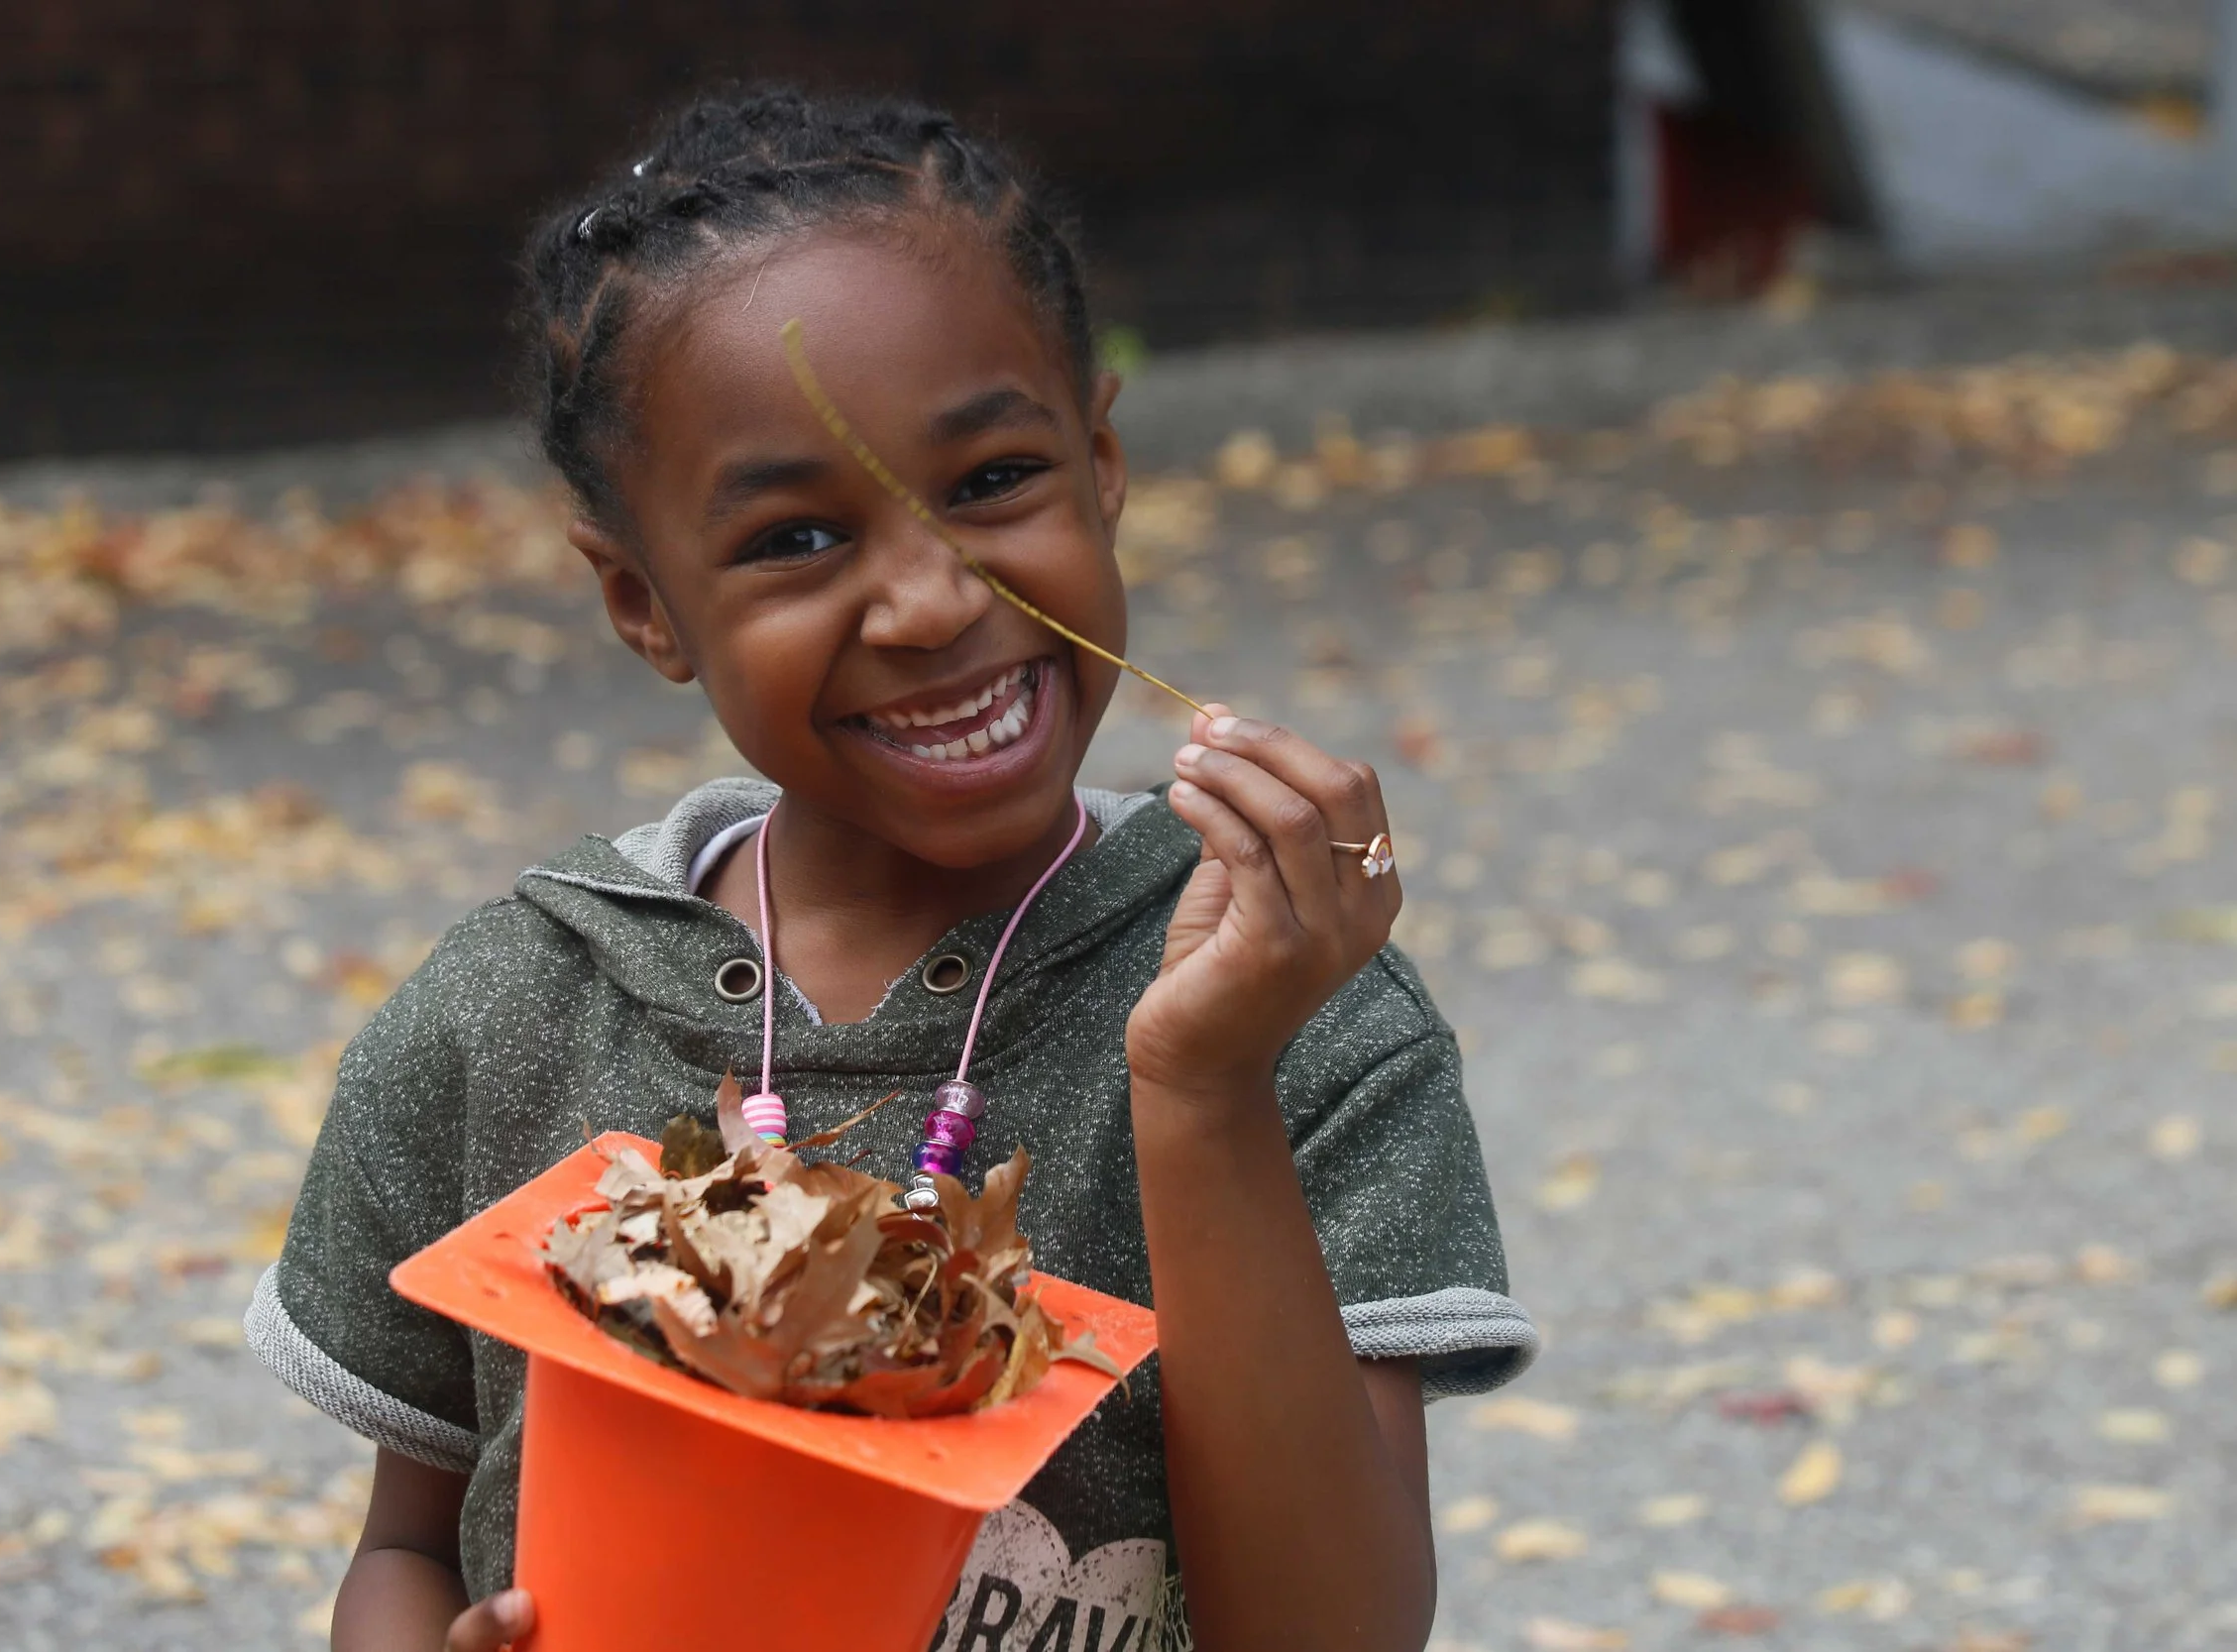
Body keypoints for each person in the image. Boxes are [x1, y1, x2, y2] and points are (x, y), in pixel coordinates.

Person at [247, 85, 1536, 1652]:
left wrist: (1204, 1089)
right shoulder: (513, 1013)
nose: (930, 599)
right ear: (642, 603)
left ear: (1104, 459)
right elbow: (406, 1549)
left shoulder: (1294, 1009)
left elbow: (1334, 1636)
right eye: (795, 538)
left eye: (993, 482)